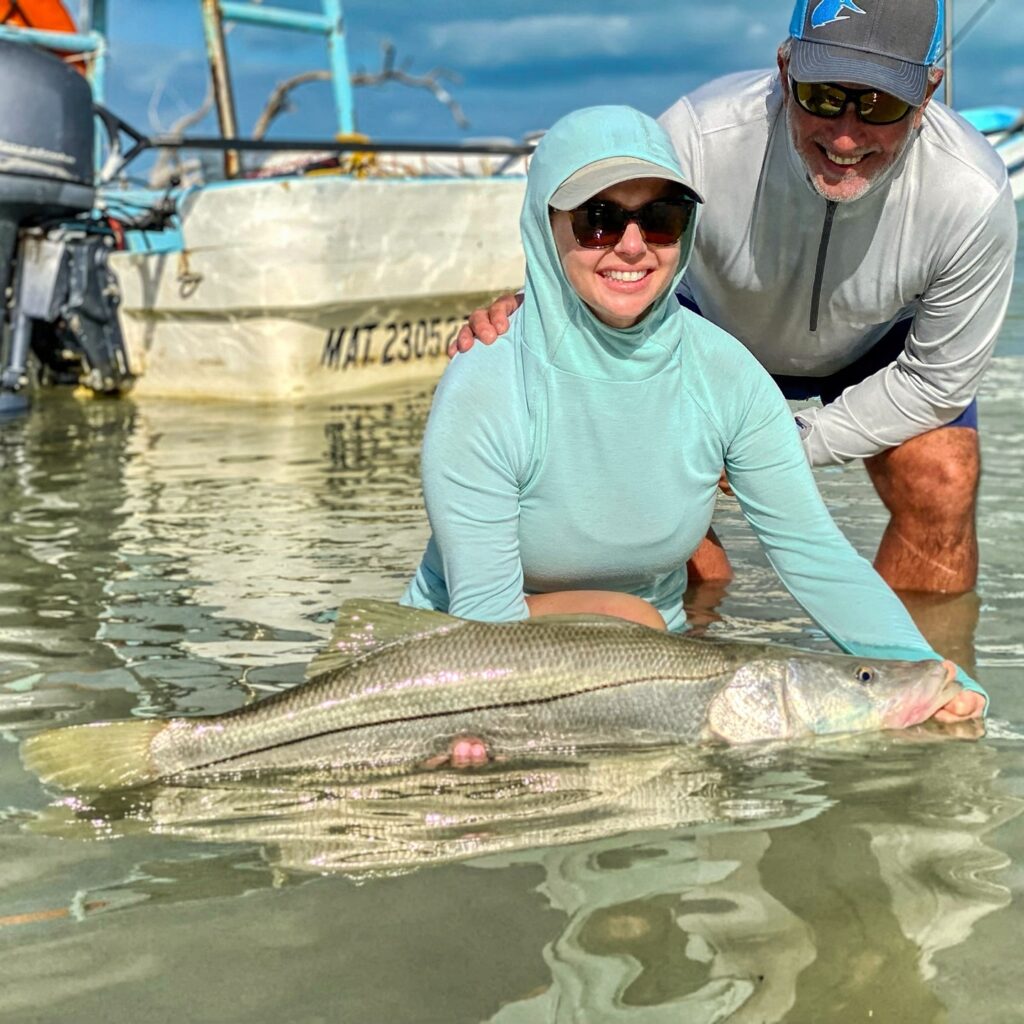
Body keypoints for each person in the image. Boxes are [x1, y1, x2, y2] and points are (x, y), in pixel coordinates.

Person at [401, 103, 985, 743]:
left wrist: (935, 678)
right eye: (598, 220)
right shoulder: (487, 378)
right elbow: (483, 616)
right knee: (632, 617)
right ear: (545, 226)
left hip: (664, 669)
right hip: (456, 661)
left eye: (661, 218)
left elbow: (813, 555)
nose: (631, 245)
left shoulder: (725, 372)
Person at [453, 0, 1017, 597]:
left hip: (876, 341)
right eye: (822, 95)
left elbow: (937, 384)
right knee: (665, 525)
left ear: (927, 94)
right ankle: (689, 645)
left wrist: (783, 440)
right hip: (708, 332)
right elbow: (608, 248)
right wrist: (535, 304)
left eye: (881, 103)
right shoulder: (697, 134)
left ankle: (915, 671)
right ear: (783, 68)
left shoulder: (972, 193)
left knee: (942, 478)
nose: (846, 134)